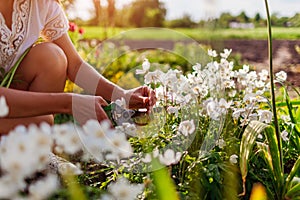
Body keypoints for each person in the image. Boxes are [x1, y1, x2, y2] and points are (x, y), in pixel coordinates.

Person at [0, 0, 156, 134]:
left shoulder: (41, 4)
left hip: (9, 103)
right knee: (41, 124)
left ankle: (27, 139)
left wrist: (122, 95)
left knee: (53, 57)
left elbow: (75, 65)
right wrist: (69, 103)